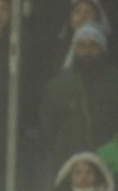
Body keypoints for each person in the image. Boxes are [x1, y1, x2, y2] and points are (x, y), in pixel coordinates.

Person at [39, 21, 118, 174]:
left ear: (102, 48)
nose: (87, 51)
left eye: (93, 45)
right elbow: (49, 128)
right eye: (81, 46)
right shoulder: (56, 86)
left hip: (110, 166)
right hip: (68, 165)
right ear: (74, 49)